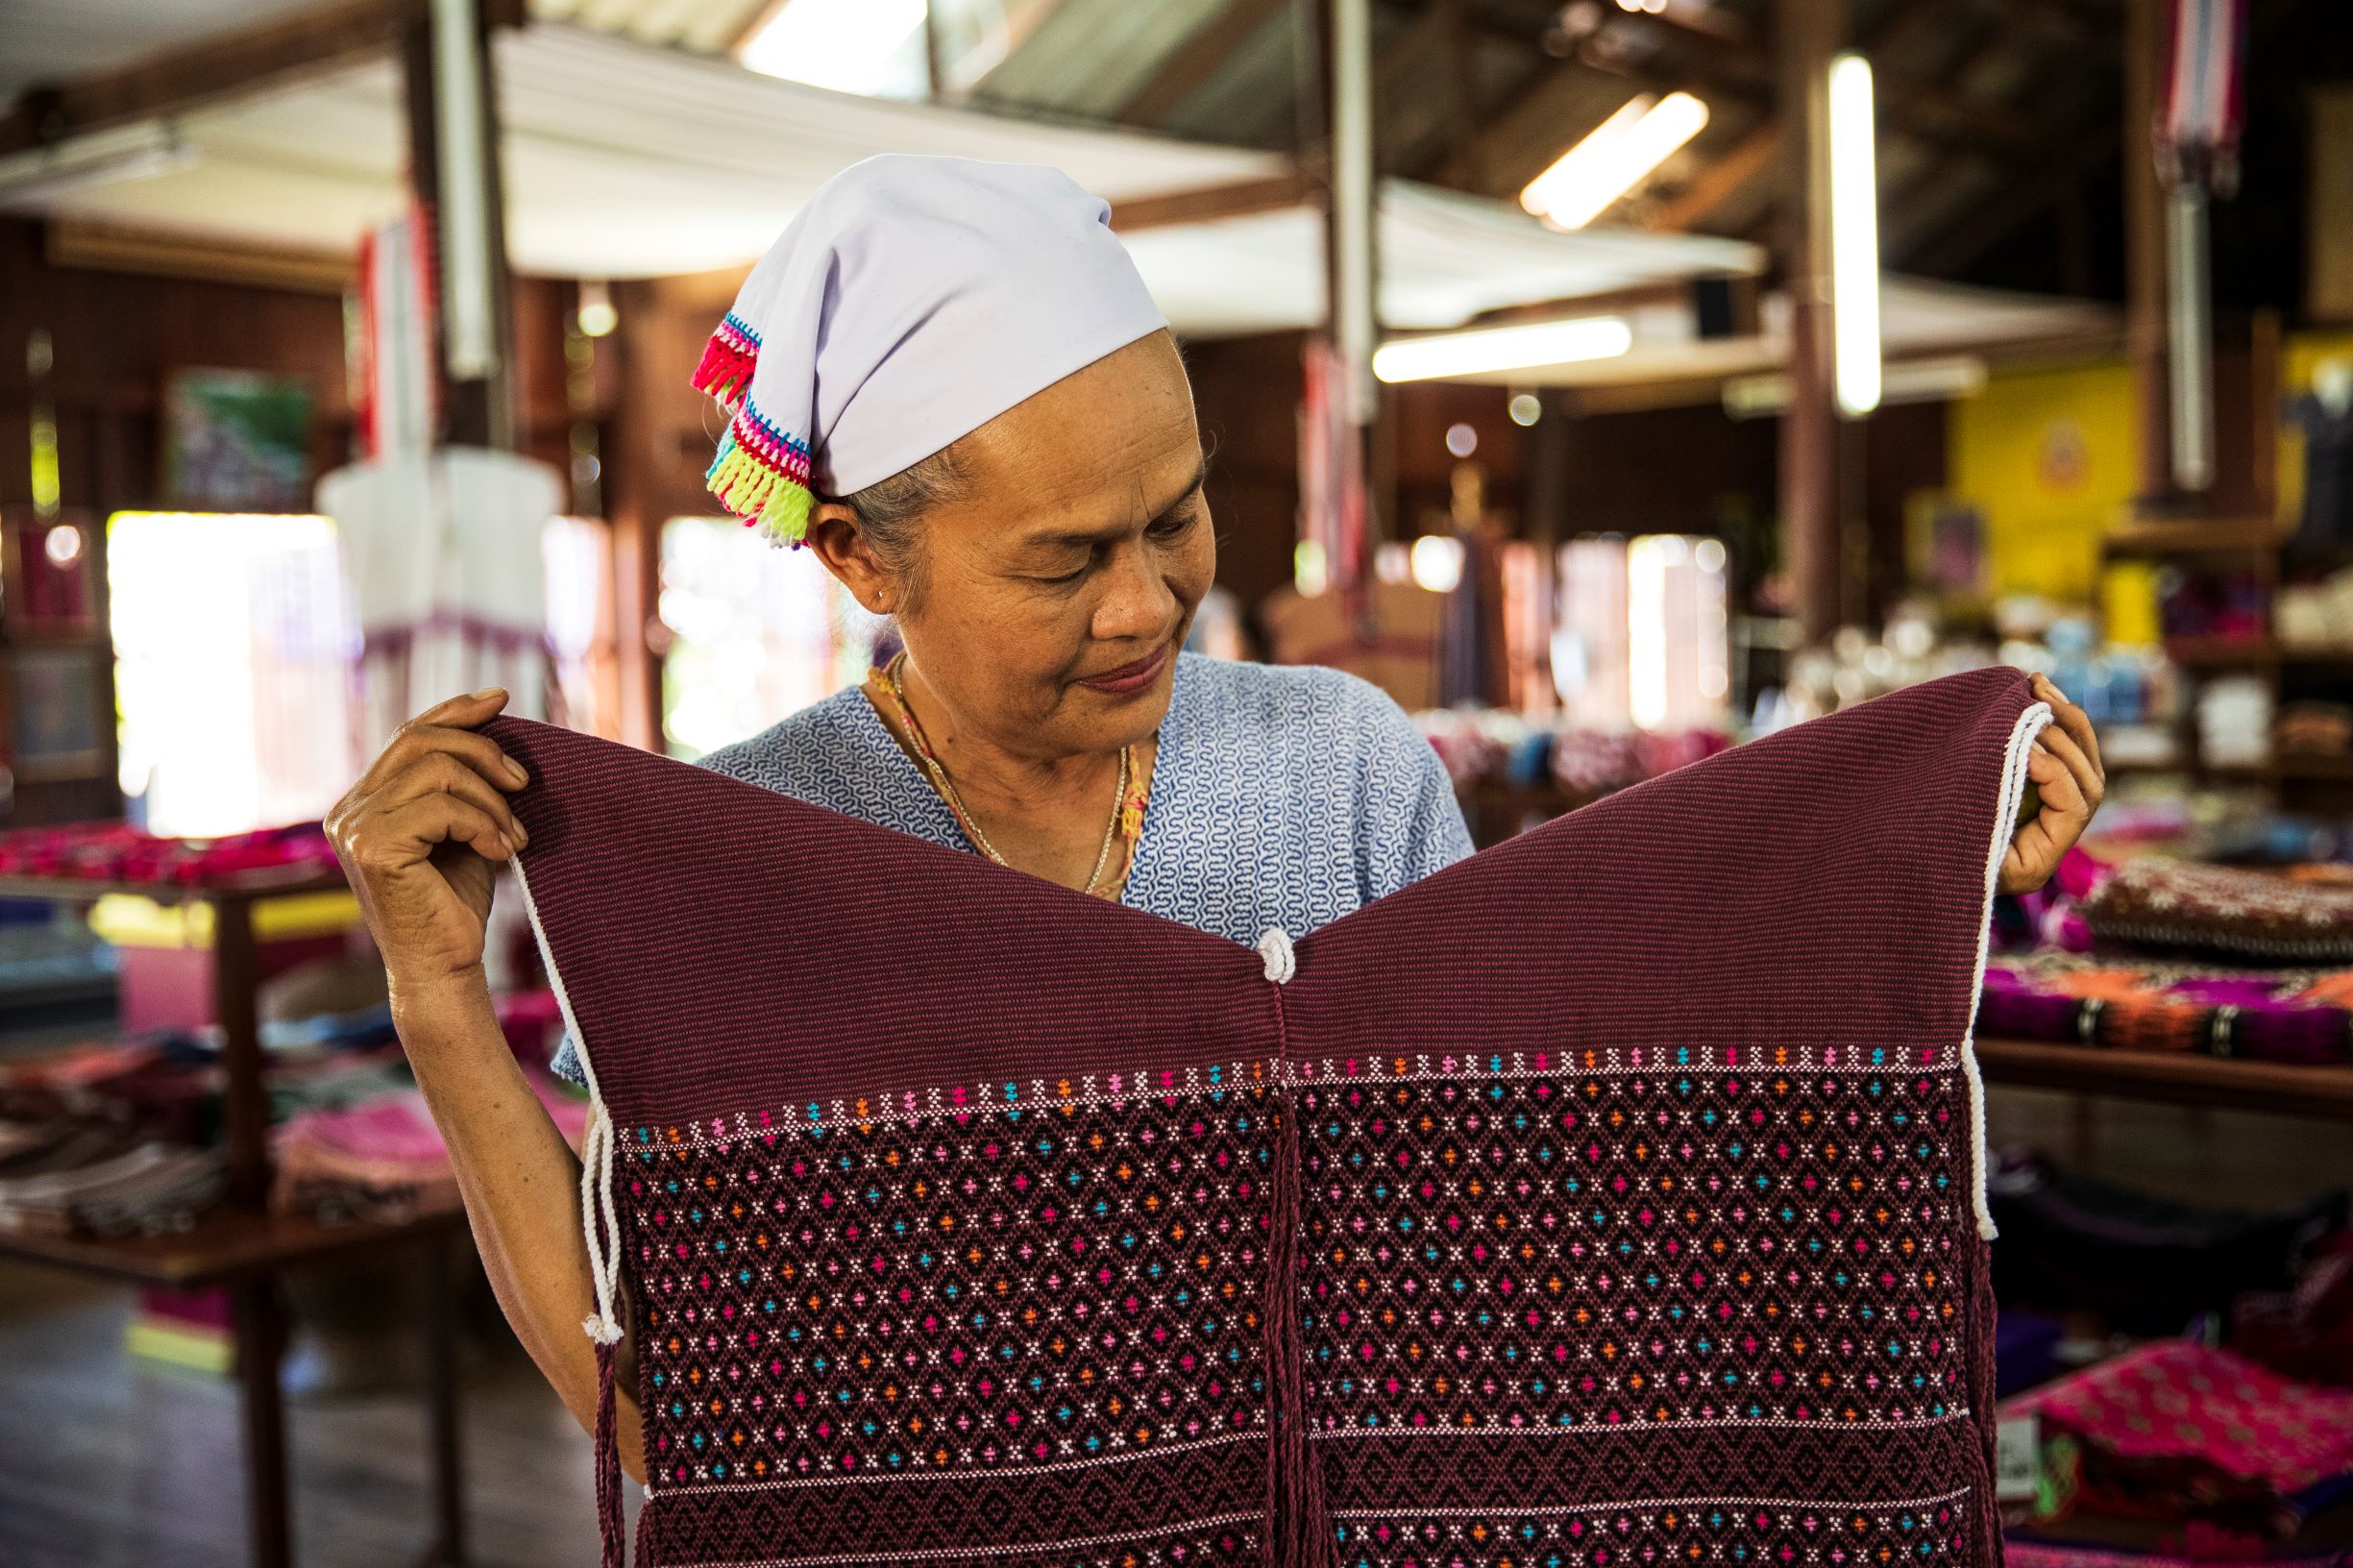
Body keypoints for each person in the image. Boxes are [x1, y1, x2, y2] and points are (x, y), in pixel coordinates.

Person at [327, 156, 2105, 1483]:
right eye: (1062, 559)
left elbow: (1560, 1168)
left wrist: (1908, 866)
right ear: (863, 557)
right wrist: (434, 996)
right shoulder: (760, 854)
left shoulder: (1335, 765)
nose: (1148, 603)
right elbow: (657, 1408)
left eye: (1174, 520)